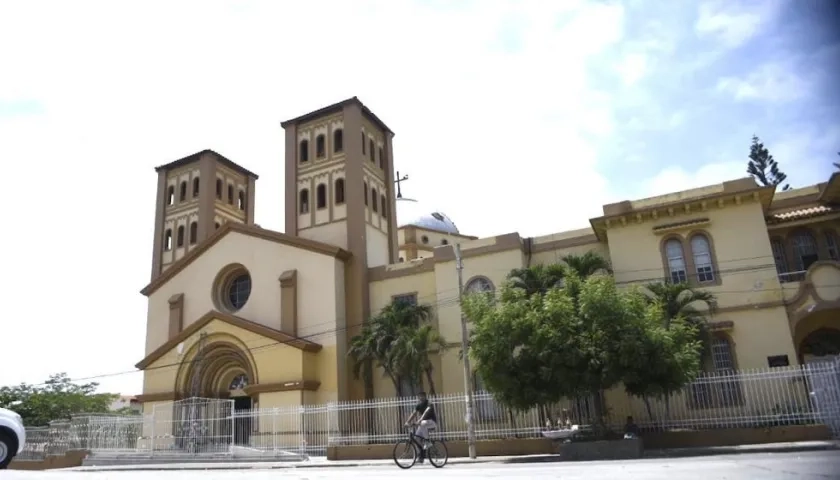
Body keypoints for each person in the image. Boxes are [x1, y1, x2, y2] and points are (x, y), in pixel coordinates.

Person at [405, 391, 437, 462]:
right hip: (423, 424)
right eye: (419, 396)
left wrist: (420, 420)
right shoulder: (418, 405)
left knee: (422, 423)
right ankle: (421, 455)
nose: (420, 398)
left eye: (422, 396)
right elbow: (413, 414)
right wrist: (407, 422)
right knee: (416, 438)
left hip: (431, 422)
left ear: (425, 396)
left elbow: (426, 412)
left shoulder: (429, 403)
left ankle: (427, 441)